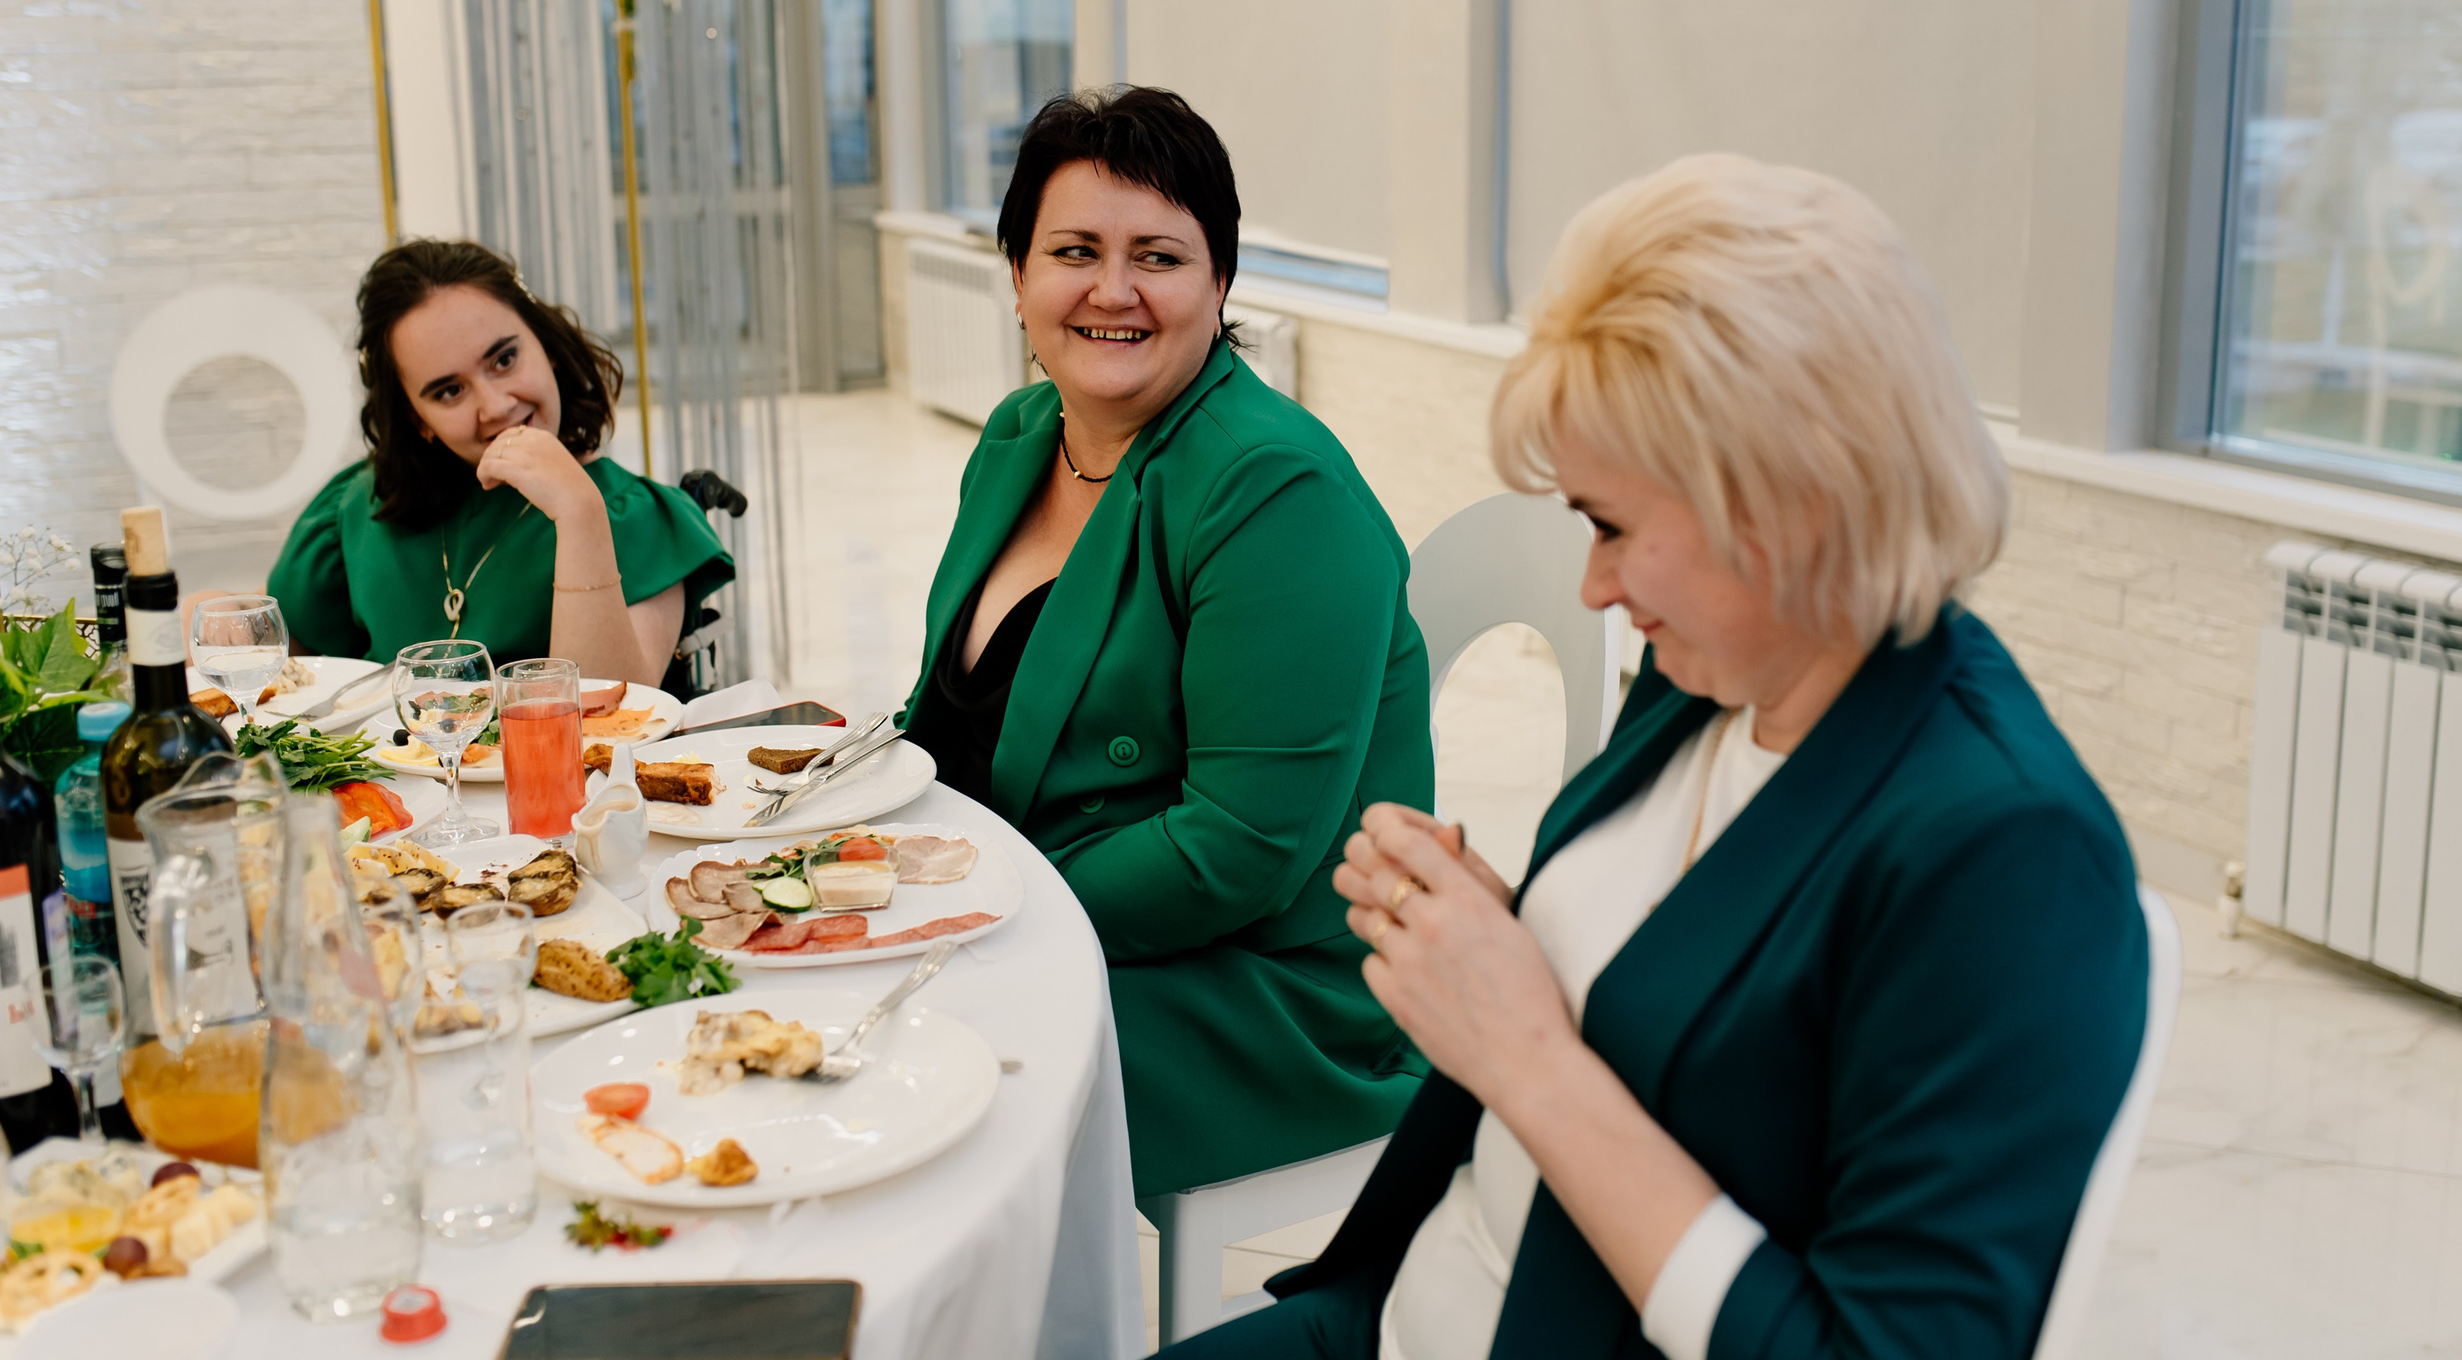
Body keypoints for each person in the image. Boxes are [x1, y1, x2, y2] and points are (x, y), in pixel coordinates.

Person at [1165, 154, 2149, 1359]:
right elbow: (1678, 986)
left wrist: (1522, 1051)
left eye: (1613, 526)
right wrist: (1495, 939)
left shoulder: (2003, 852)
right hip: (1402, 1306)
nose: (1591, 582)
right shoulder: (1714, 677)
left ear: (1792, 501)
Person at [902, 86, 1433, 1202]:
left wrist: (975, 918)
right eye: (1073, 250)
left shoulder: (1271, 487)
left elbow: (1239, 844)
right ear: (1017, 278)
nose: (1112, 289)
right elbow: (941, 722)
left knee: (890, 1082)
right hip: (1040, 914)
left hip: (1254, 988)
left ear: (1221, 281)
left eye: (1159, 254)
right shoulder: (1016, 438)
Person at [270, 240, 733, 688]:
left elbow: (604, 724)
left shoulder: (635, 517)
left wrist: (577, 512)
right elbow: (293, 679)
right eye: (449, 391)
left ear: (546, 347)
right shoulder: (359, 507)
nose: (494, 406)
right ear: (419, 419)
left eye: (504, 359)